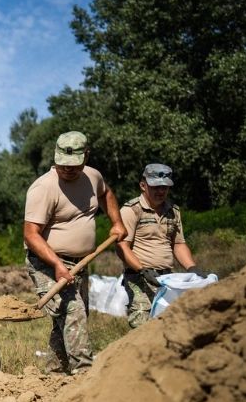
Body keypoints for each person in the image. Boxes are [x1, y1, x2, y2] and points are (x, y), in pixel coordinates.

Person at [23, 131, 126, 374]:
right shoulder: (43, 188)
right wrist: (58, 265)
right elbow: (31, 234)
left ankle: (55, 374)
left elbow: (106, 194)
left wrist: (117, 221)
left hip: (82, 262)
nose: (67, 170)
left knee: (69, 319)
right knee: (73, 313)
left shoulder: (93, 177)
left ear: (86, 157)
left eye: (74, 165)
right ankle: (85, 375)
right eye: (62, 165)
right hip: (46, 263)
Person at [116, 164, 203, 328]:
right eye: (155, 187)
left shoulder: (173, 211)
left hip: (166, 278)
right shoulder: (132, 210)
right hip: (139, 277)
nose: (160, 191)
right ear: (143, 185)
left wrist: (192, 268)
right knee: (142, 324)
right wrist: (142, 269)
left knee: (167, 324)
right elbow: (122, 247)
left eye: (164, 187)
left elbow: (178, 244)